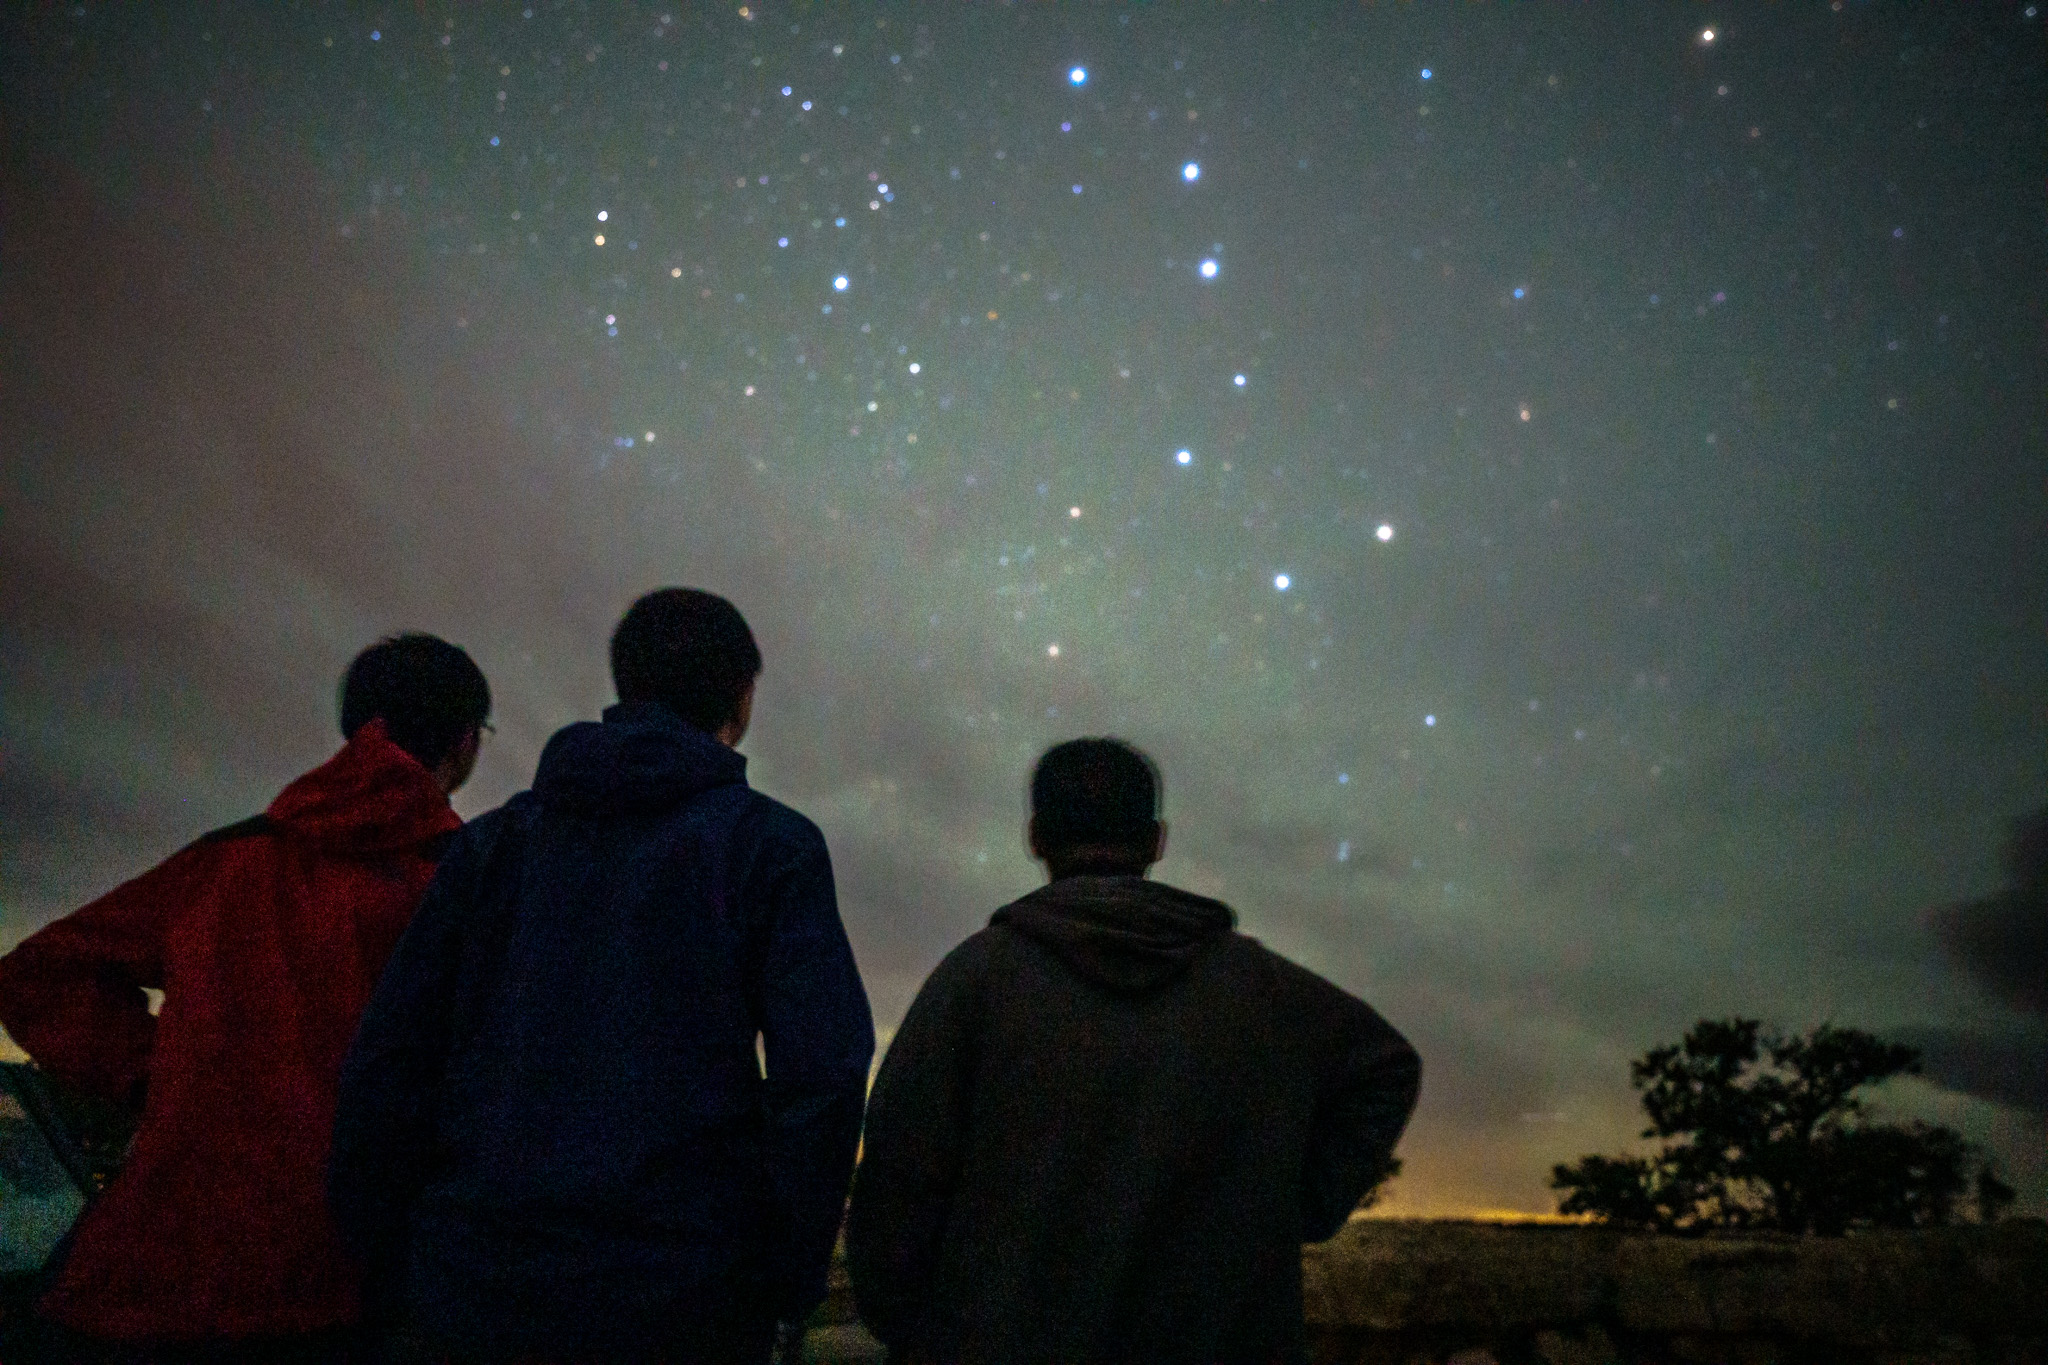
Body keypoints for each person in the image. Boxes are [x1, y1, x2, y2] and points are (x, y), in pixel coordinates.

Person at [330, 588, 874, 1365]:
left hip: (472, 1286)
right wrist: (783, 1278)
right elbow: (820, 1077)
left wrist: (392, 1253)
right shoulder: (771, 846)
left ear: (626, 683)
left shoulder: (492, 845)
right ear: (743, 696)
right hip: (684, 1301)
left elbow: (392, 1059)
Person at [846, 738, 1422, 1365]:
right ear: (1156, 842)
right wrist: (1294, 1206)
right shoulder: (1262, 987)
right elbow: (1384, 1067)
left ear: (1036, 837)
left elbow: (897, 1176)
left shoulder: (973, 981)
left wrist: (915, 1321)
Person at [0, 633, 492, 1364]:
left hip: (148, 1273)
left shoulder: (229, 858)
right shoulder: (467, 886)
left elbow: (36, 976)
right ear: (462, 743)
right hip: (339, 1285)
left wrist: (154, 1074)